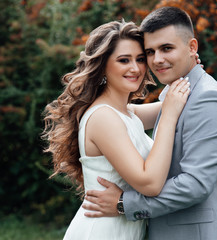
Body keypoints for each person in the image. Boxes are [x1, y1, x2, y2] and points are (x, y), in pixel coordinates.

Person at [82, 6, 217, 240]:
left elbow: (195, 184)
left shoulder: (208, 99)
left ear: (192, 47)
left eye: (167, 48)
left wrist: (123, 203)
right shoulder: (173, 98)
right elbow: (128, 115)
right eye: (149, 52)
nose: (156, 60)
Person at [42, 19, 192, 239]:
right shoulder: (103, 117)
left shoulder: (125, 113)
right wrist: (169, 116)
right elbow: (150, 183)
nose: (135, 68)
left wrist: (187, 67)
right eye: (124, 60)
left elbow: (176, 101)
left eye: (140, 59)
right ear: (103, 65)